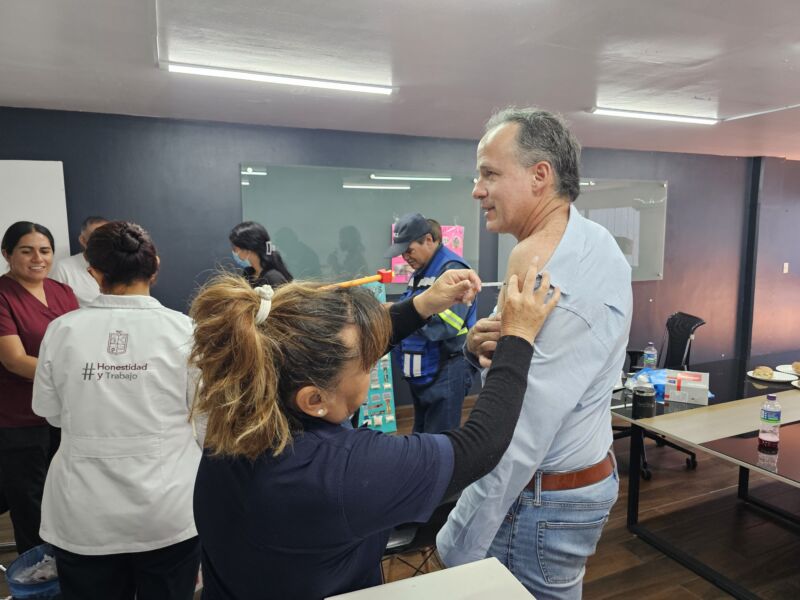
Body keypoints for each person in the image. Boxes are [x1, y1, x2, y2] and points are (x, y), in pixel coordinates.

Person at [190, 260, 560, 599]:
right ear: (315, 399)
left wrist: (424, 304)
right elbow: (481, 445)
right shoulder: (338, 472)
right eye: (368, 365)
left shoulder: (238, 415)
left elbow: (339, 355)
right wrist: (517, 339)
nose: (373, 363)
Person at [436, 107, 633, 599]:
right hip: (582, 476)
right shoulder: (592, 240)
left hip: (542, 498)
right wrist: (484, 346)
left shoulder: (539, 260)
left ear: (539, 175)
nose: (477, 190)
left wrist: (455, 542)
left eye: (489, 174)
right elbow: (521, 362)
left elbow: (518, 433)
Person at [32, 222, 201, 600]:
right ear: (155, 266)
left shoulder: (61, 331)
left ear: (94, 273)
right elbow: (205, 422)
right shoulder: (186, 332)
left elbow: (49, 412)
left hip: (84, 510)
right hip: (167, 508)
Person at [0, 221, 79, 553]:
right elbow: (14, 360)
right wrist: (76, 376)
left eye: (45, 251)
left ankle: (69, 564)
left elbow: (79, 344)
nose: (38, 258)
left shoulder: (63, 292)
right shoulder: (3, 295)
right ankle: (37, 572)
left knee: (66, 494)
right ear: (7, 254)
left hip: (64, 414)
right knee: (30, 502)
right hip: (20, 418)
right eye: (26, 250)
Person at [384, 214, 477, 433]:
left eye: (409, 250)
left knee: (439, 439)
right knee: (421, 436)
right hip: (424, 370)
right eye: (402, 252)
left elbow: (447, 325)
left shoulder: (452, 269)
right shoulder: (421, 271)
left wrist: (402, 315)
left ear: (428, 240)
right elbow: (410, 303)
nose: (405, 257)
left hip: (447, 368)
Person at [49, 215, 108, 306]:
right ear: (83, 240)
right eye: (95, 237)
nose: (103, 242)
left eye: (107, 237)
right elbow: (55, 305)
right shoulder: (64, 268)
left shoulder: (122, 266)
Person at [229, 221, 293, 287]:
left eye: (235, 248)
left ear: (248, 249)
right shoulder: (248, 273)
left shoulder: (274, 278)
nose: (234, 252)